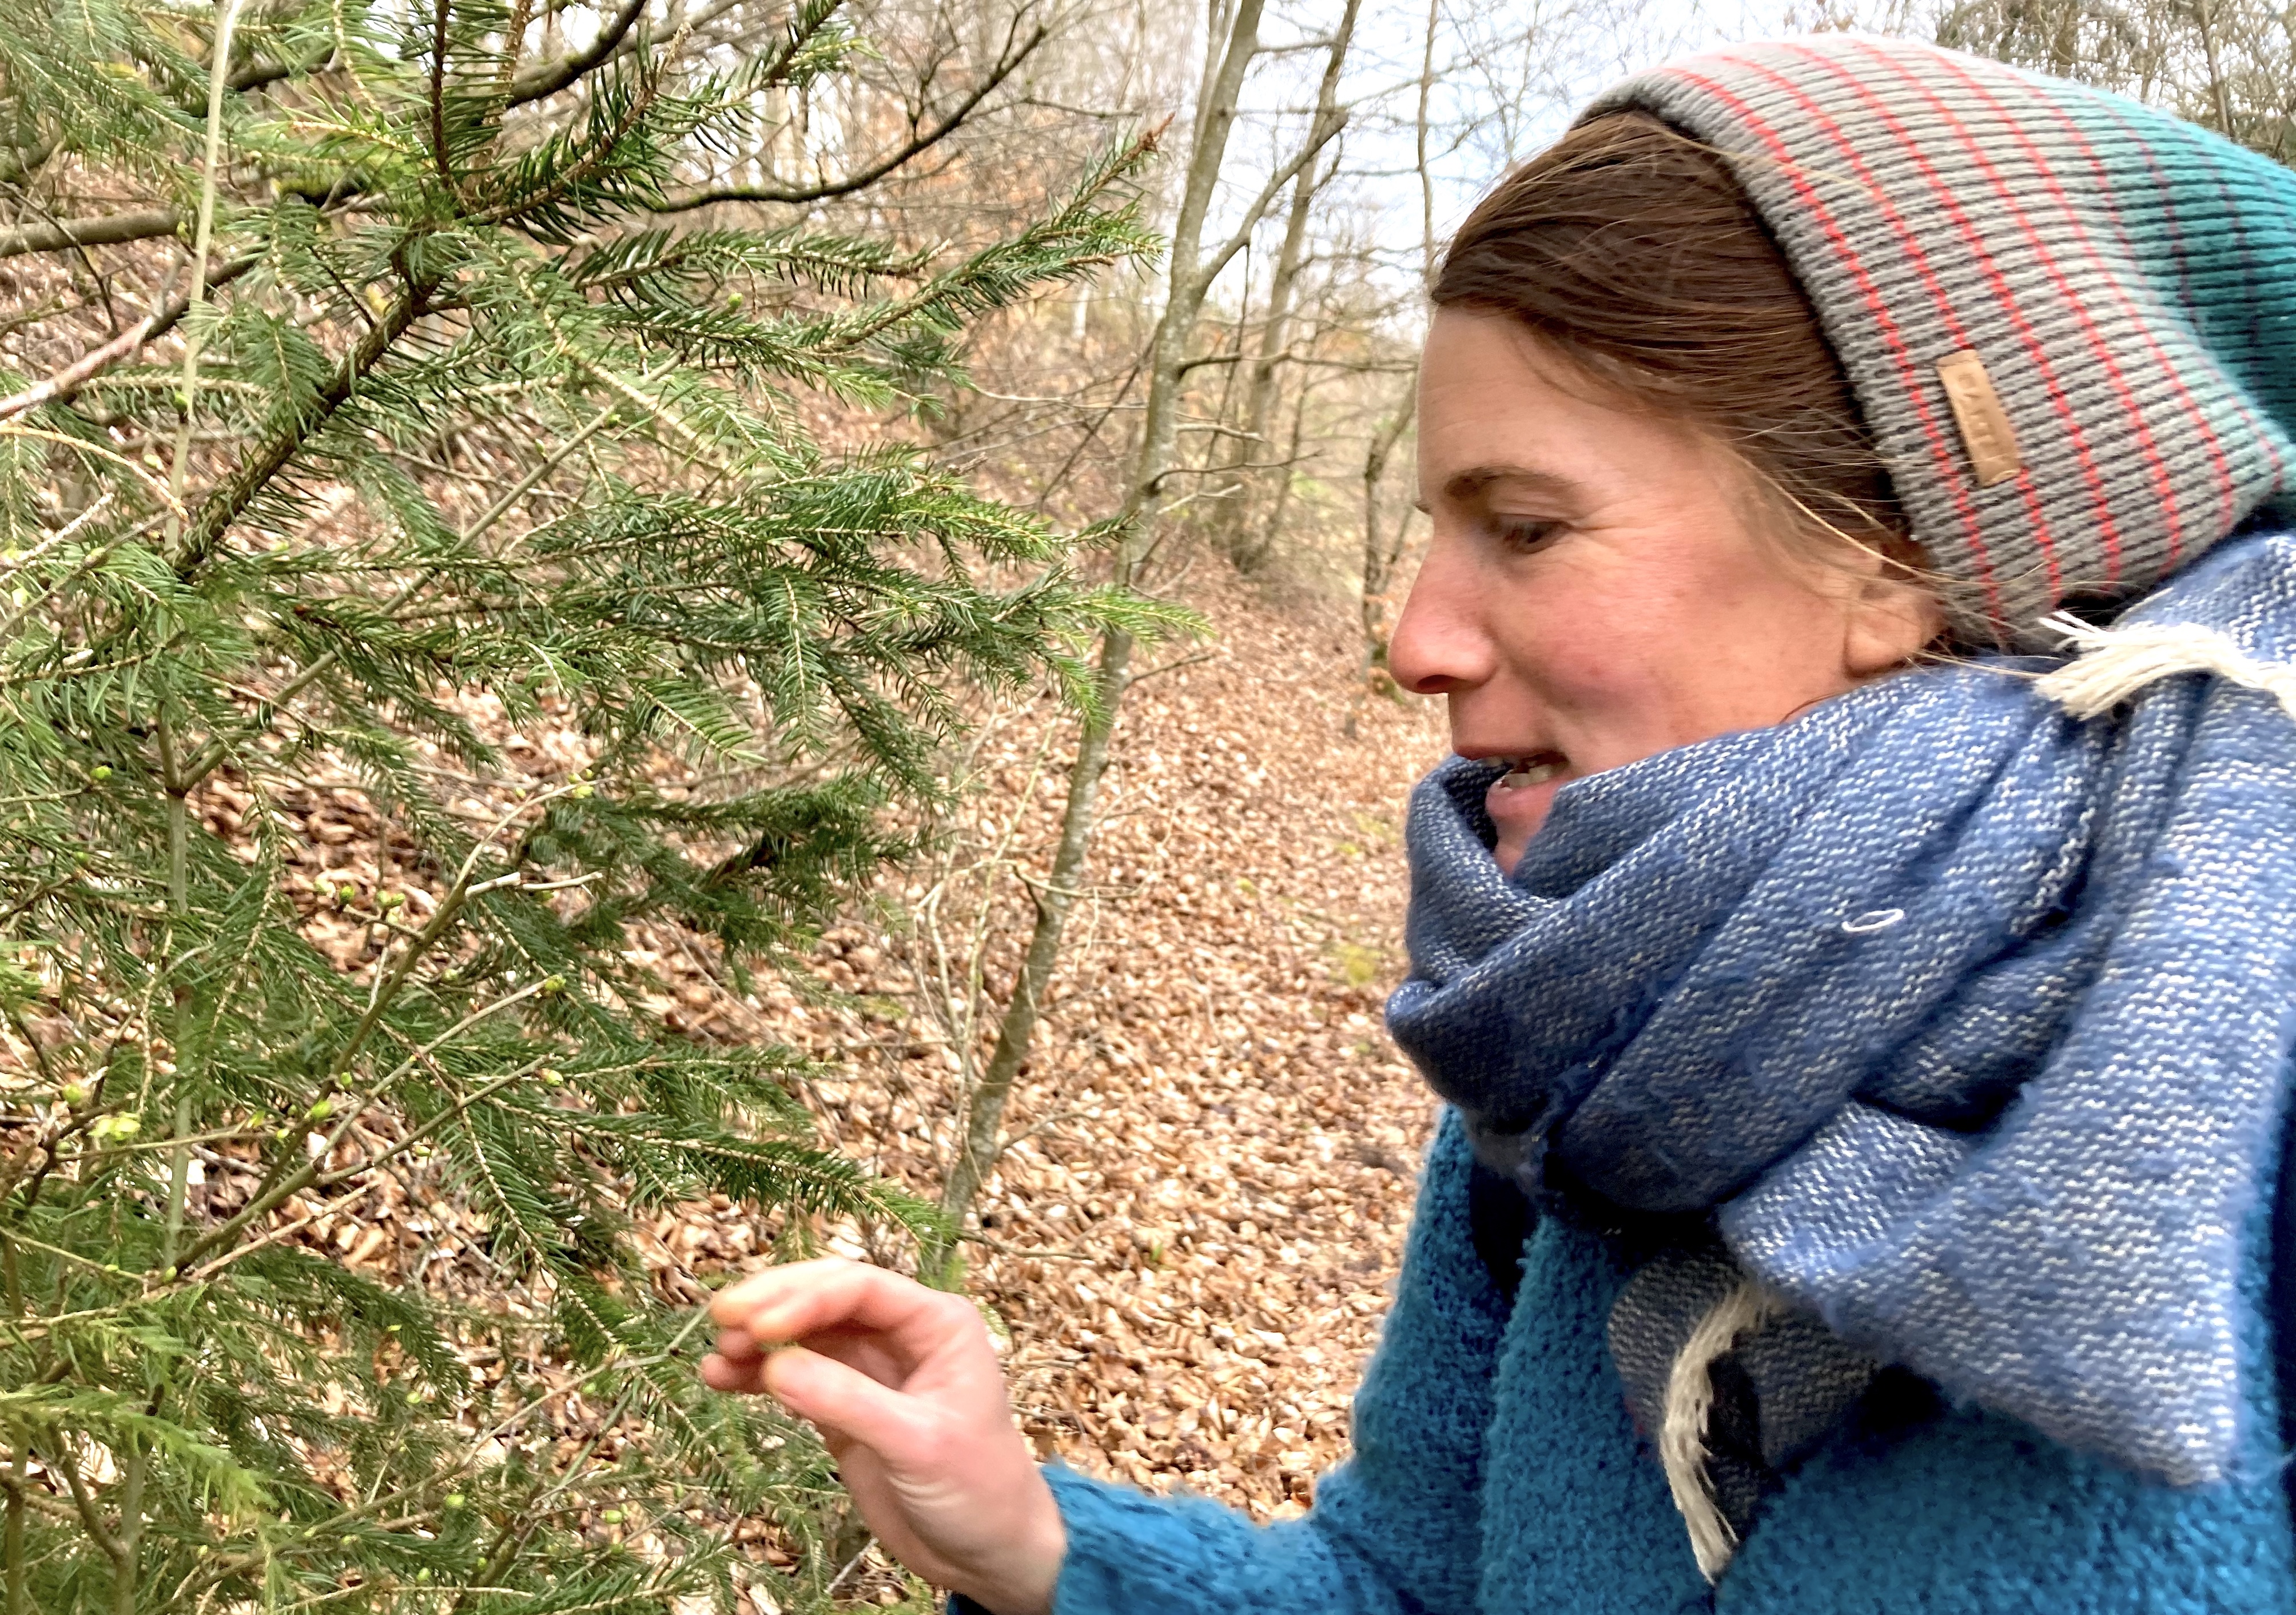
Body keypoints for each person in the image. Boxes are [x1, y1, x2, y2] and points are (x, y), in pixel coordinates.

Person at [701, 33, 2296, 1614]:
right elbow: (1408, 1586)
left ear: (1895, 552)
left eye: (1524, 527)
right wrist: (1039, 1547)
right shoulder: (1593, 1050)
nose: (1415, 641)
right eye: (1440, 531)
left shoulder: (2251, 1071)